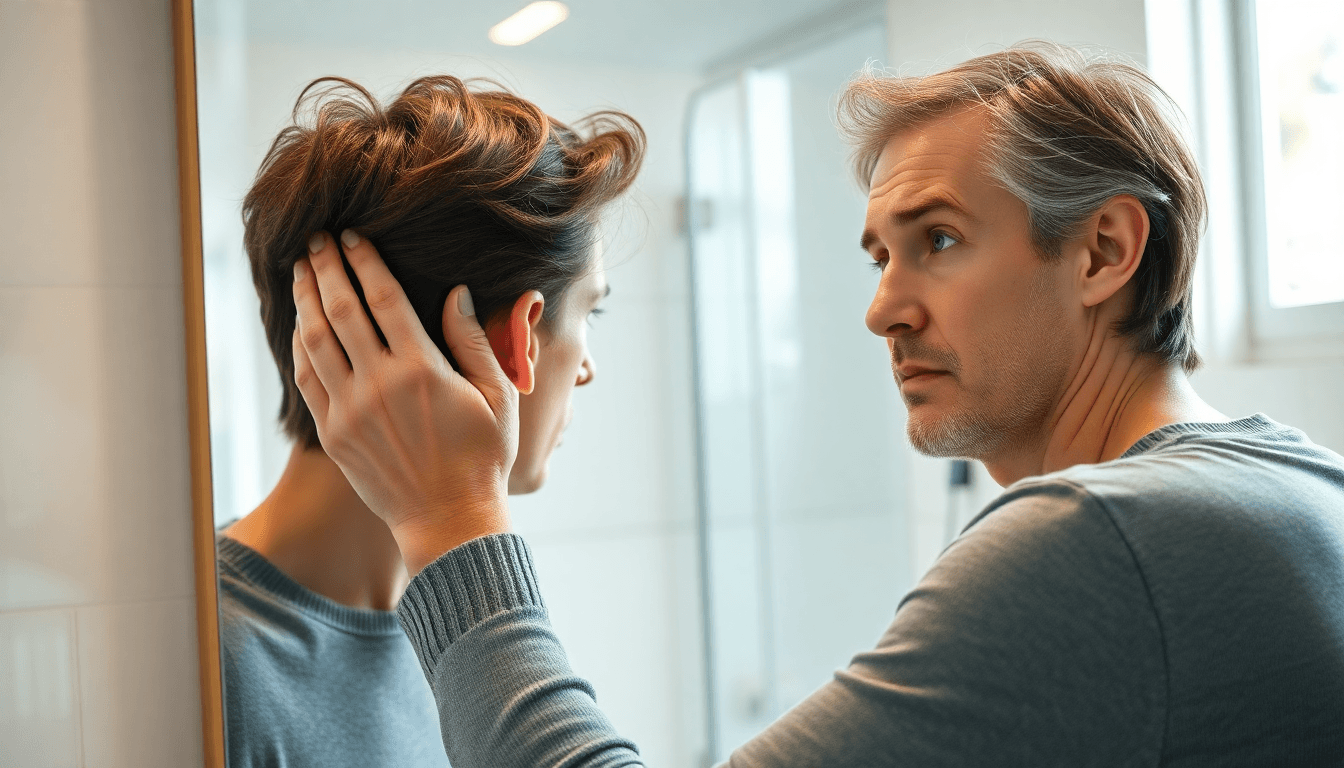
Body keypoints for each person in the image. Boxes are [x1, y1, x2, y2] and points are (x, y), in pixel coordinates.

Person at [290, 44, 1344, 766]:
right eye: (880, 255)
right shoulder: (1295, 482)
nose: (883, 308)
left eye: (937, 240)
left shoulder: (1102, 541)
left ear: (1105, 250)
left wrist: (451, 522)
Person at [216, 74, 643, 767]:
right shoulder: (209, 674)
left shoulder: (466, 636)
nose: (588, 367)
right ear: (520, 341)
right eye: (589, 312)